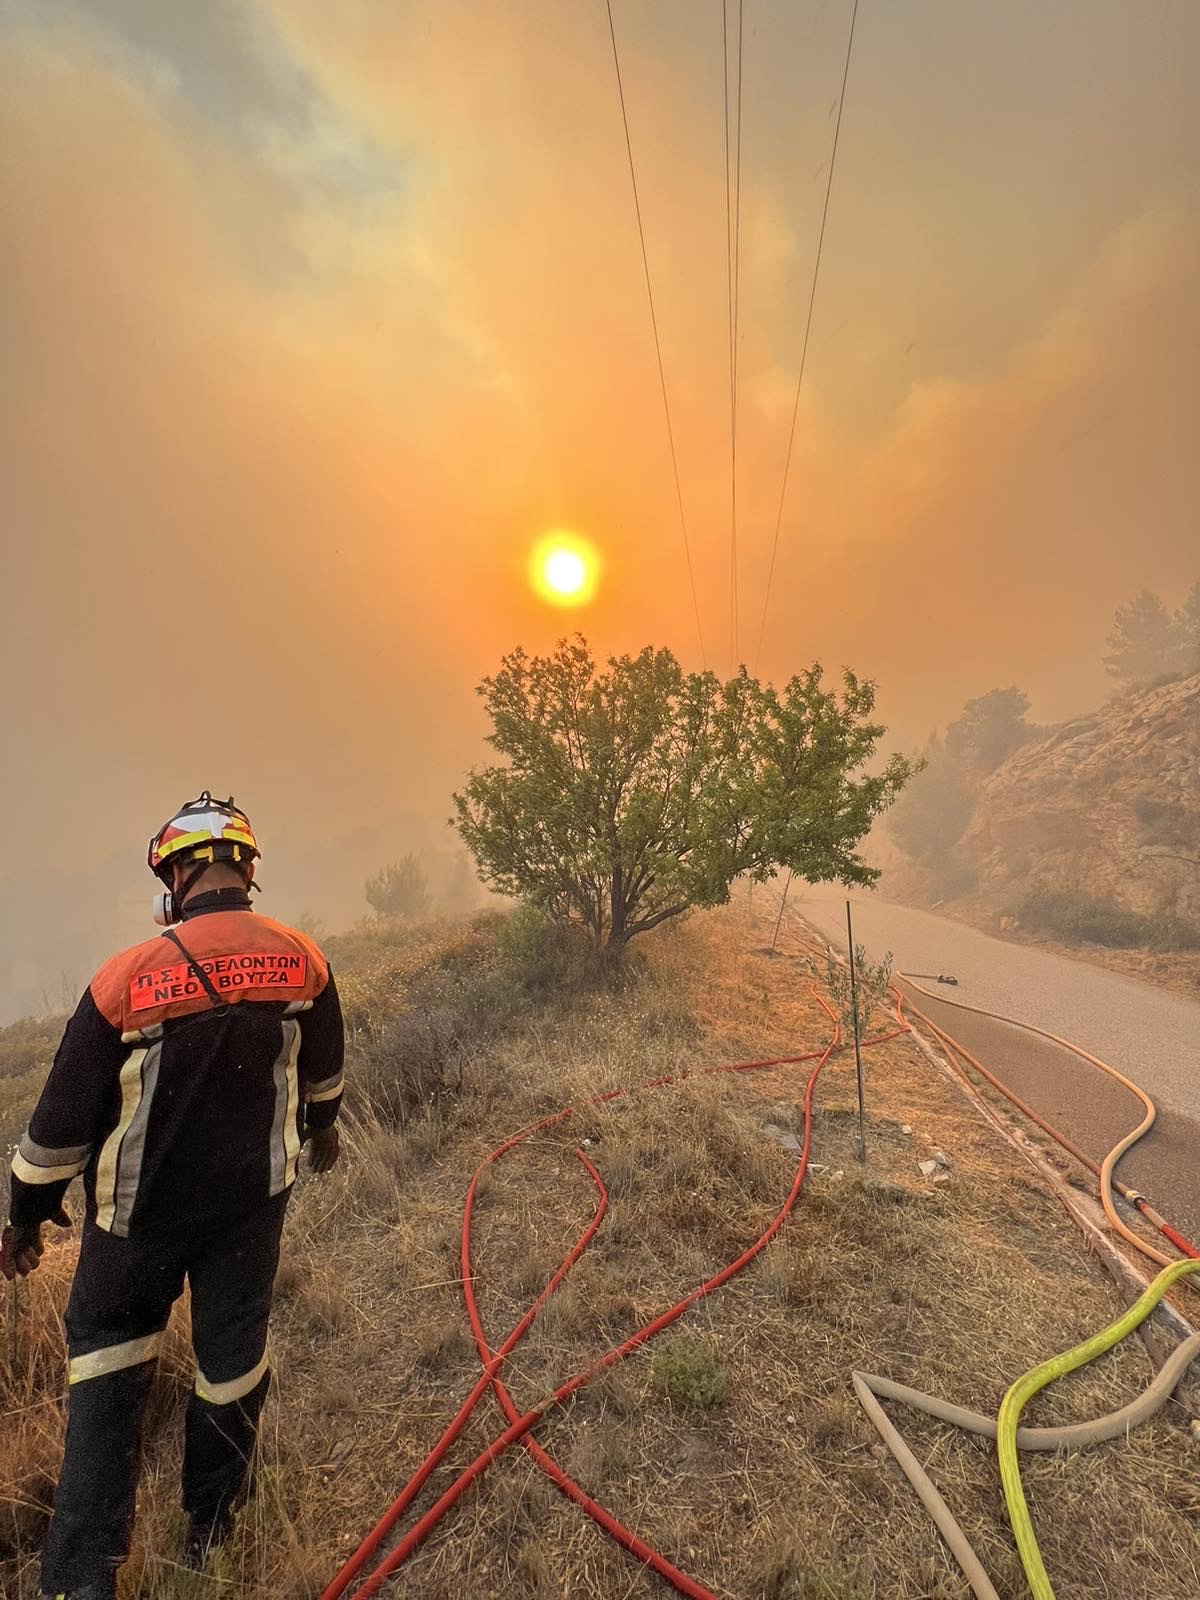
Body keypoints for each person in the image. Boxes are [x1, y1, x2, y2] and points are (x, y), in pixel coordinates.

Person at [0, 792, 345, 1600]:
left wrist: (25, 1217)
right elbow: (325, 1077)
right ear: (246, 871)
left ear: (176, 879)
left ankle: (79, 1580)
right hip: (250, 1209)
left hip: (133, 1226)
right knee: (232, 1365)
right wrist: (321, 1131)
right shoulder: (302, 959)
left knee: (107, 1380)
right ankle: (212, 1532)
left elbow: (56, 1127)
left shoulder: (123, 980)